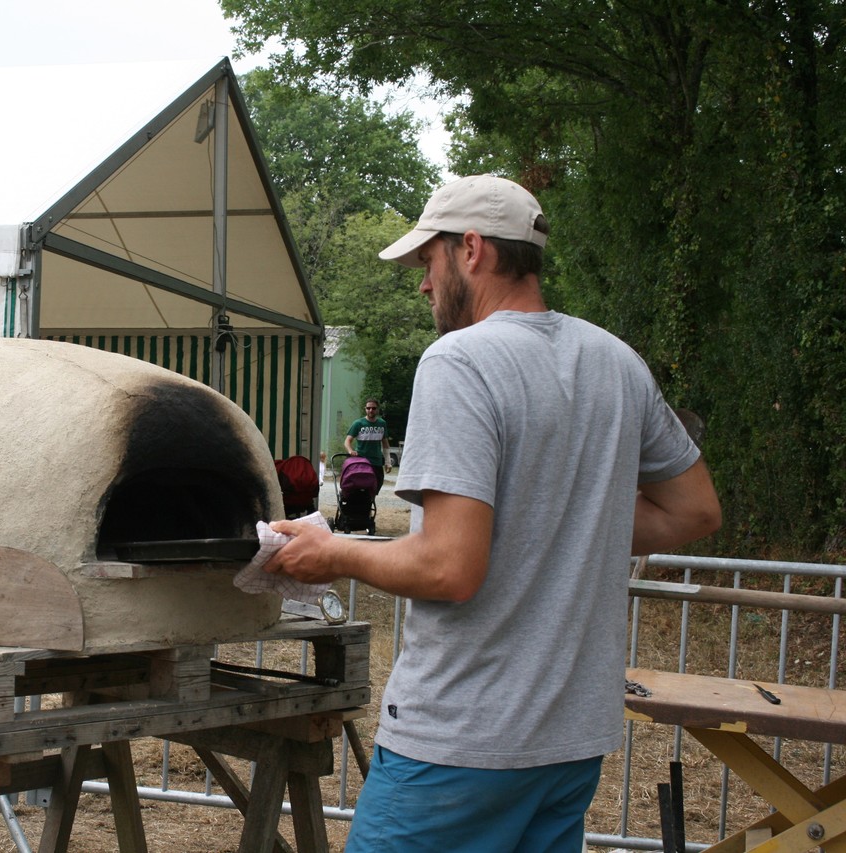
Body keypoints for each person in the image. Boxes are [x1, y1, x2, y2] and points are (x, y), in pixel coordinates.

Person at [266, 174, 721, 852]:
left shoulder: (460, 360)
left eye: (428, 260)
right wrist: (565, 516)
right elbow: (695, 509)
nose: (423, 283)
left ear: (471, 249)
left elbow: (449, 566)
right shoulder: (616, 362)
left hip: (459, 740)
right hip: (570, 743)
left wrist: (331, 551)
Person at [344, 398, 391, 493]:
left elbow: (385, 444)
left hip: (376, 462)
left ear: (377, 409)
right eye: (368, 408)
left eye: (374, 408)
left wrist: (388, 462)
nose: (371, 410)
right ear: (365, 409)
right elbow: (347, 441)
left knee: (376, 486)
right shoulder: (358, 423)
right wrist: (350, 451)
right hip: (361, 461)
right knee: (359, 487)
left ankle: (369, 504)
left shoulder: (382, 424)